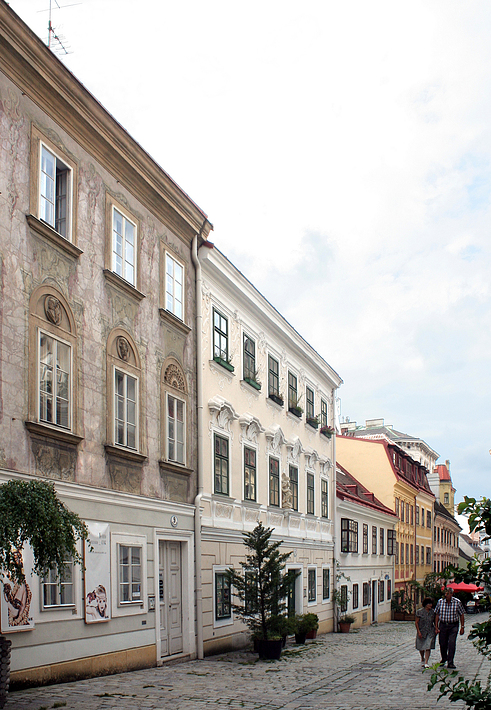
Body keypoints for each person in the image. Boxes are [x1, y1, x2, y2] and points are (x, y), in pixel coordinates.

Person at [435, 587, 465, 669]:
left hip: (453, 626)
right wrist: (436, 627)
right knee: (442, 643)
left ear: (452, 594)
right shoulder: (440, 602)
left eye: (447, 593)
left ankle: (450, 661)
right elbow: (437, 614)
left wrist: (462, 627)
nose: (446, 595)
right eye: (445, 593)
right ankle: (444, 658)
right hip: (443, 625)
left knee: (451, 643)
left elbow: (461, 614)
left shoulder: (457, 602)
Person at [415, 597, 436, 668]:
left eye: (431, 603)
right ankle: (422, 658)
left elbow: (435, 621)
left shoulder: (433, 612)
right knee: (421, 646)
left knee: (428, 646)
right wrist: (418, 631)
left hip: (430, 631)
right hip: (422, 630)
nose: (430, 605)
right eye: (429, 604)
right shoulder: (419, 612)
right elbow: (416, 622)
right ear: (426, 604)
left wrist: (436, 628)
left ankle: (426, 662)